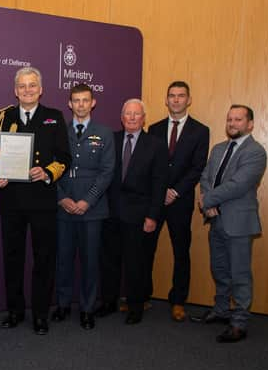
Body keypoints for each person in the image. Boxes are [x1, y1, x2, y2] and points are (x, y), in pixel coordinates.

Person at [0, 67, 70, 335]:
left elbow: (64, 157)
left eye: (32, 85)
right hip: (12, 199)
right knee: (12, 257)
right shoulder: (4, 116)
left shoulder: (54, 117)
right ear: (15, 90)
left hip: (42, 200)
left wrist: (47, 171)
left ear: (41, 89)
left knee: (44, 258)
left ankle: (40, 314)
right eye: (22, 86)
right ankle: (14, 310)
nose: (27, 90)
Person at [191, 105, 266, 343]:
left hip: (239, 223)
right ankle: (222, 310)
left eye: (238, 119)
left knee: (240, 274)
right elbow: (205, 178)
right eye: (229, 119)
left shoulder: (256, 152)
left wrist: (207, 199)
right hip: (217, 219)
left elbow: (238, 184)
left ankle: (239, 323)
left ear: (250, 124)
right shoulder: (218, 149)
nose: (232, 123)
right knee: (219, 269)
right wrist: (208, 201)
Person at [97, 99, 167, 325]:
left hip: (139, 216)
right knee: (109, 262)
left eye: (137, 114)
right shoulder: (111, 140)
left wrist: (152, 216)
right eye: (128, 114)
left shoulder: (155, 145)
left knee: (136, 263)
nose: (132, 117)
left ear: (144, 117)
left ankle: (136, 306)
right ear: (122, 117)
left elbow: (159, 184)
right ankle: (108, 302)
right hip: (110, 213)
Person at [144, 81, 209, 321]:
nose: (176, 100)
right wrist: (160, 191)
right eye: (172, 95)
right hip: (155, 200)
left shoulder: (201, 131)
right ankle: (143, 296)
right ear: (166, 99)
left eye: (181, 96)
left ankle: (178, 300)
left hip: (180, 202)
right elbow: (149, 165)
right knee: (146, 249)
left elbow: (197, 167)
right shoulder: (154, 128)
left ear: (189, 99)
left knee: (181, 251)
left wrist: (175, 191)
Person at [53, 83, 115, 330]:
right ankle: (63, 305)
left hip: (93, 210)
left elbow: (107, 171)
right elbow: (52, 168)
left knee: (90, 262)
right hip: (64, 207)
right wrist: (62, 198)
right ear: (69, 104)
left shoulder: (105, 133)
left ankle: (87, 308)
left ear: (93, 103)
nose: (80, 104)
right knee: (63, 260)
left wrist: (87, 200)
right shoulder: (59, 132)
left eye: (85, 100)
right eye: (76, 100)